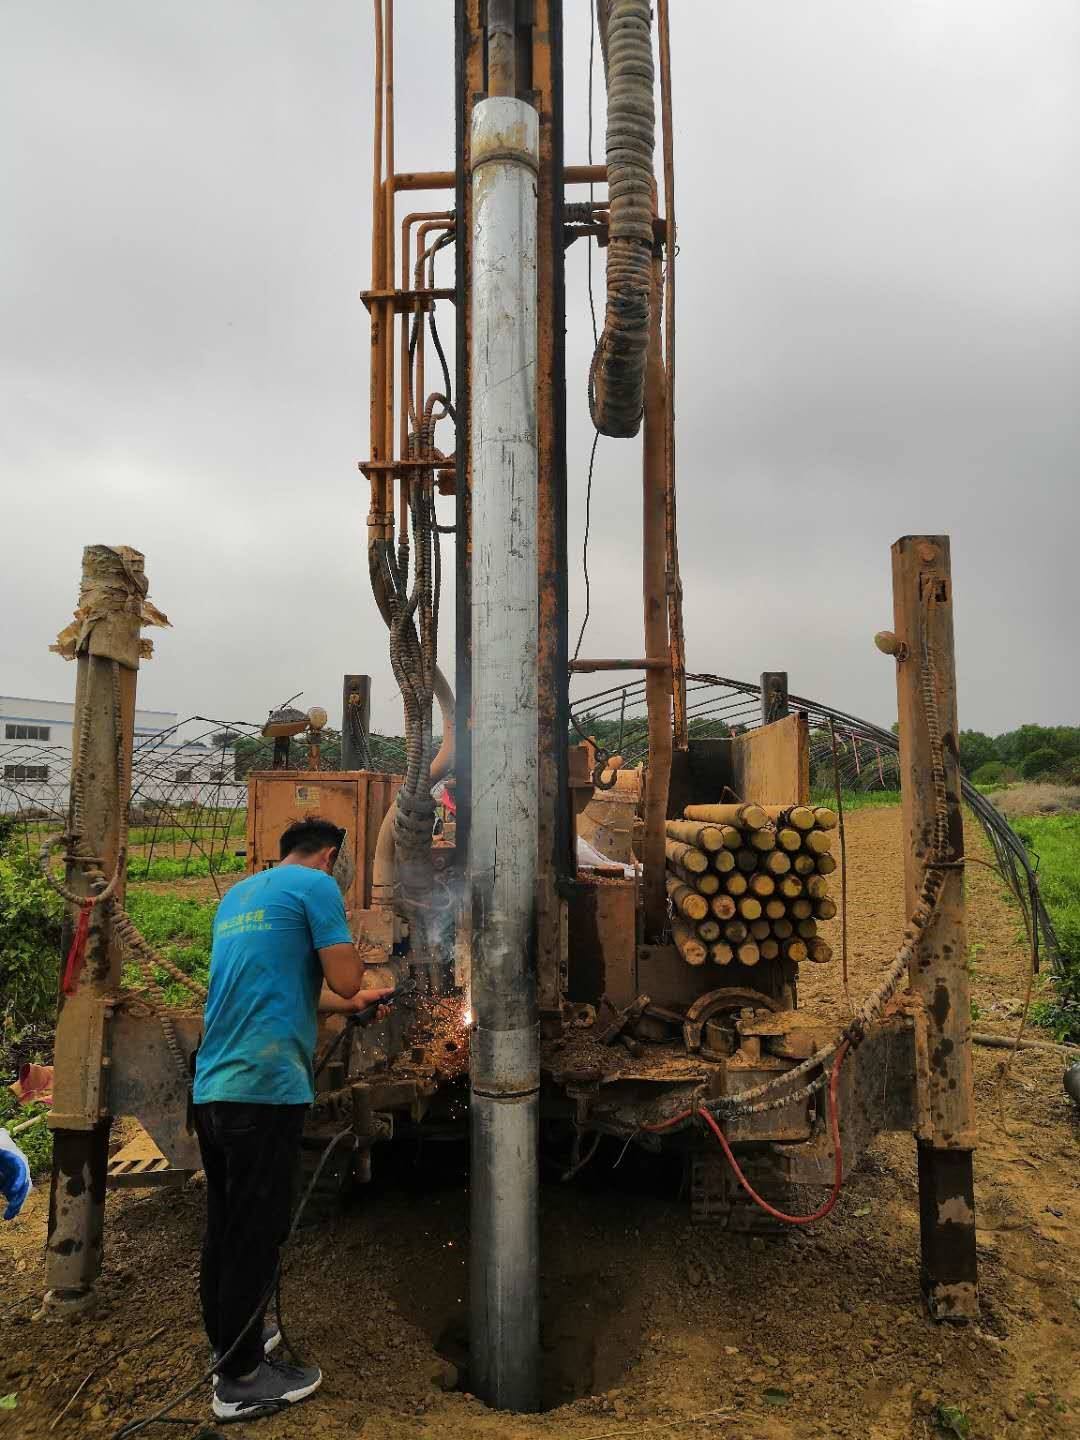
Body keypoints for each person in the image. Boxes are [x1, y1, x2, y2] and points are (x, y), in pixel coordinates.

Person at [192, 816, 392, 1423]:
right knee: (258, 1230)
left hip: (214, 1086)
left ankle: (234, 1339)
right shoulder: (317, 888)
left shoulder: (241, 895)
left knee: (227, 1224)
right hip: (265, 1089)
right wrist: (363, 981)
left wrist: (349, 1002)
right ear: (330, 855)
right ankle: (241, 1382)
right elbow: (345, 975)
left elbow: (298, 987)